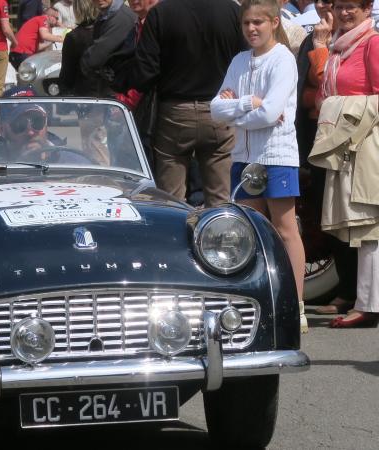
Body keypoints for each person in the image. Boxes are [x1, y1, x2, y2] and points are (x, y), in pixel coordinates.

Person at [211, 0, 307, 333]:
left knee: (284, 228)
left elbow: (271, 113)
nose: (252, 29)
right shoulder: (239, 60)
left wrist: (237, 116)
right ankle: (257, 301)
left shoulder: (283, 59)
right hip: (244, 156)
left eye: (258, 22)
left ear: (274, 22)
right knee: (249, 229)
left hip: (276, 155)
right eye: (247, 23)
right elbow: (215, 109)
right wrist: (247, 104)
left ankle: (296, 304)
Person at [112, 0, 244, 208]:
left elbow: (146, 72)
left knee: (171, 201)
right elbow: (246, 60)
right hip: (221, 109)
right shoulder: (233, 11)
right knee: (221, 201)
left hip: (175, 113)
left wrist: (119, 81)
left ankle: (176, 227)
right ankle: (221, 228)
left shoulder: (161, 13)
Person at [306, 0, 379, 328]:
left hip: (366, 144)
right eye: (340, 7)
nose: (345, 13)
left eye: (352, 7)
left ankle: (369, 305)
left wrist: (337, 106)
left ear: (367, 9)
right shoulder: (339, 48)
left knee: (368, 225)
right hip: (346, 146)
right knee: (354, 226)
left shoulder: (372, 43)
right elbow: (322, 94)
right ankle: (359, 298)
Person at [79, 0, 136, 97]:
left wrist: (85, 62)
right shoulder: (106, 14)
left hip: (120, 90)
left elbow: (95, 58)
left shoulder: (122, 17)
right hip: (111, 85)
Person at [58, 0, 98, 96]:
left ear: (77, 9)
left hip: (85, 95)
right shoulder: (109, 29)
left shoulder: (73, 37)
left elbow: (67, 74)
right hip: (110, 95)